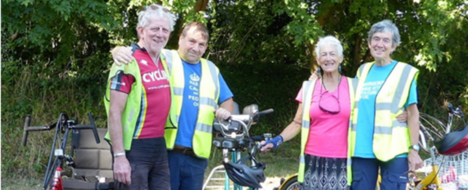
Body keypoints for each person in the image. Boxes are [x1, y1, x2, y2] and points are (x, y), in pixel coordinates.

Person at [260, 35, 407, 190]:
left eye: (332, 54)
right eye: (323, 54)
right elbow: (297, 122)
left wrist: (406, 112)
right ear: (318, 60)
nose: (328, 58)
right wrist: (276, 140)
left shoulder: (355, 86)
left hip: (344, 162)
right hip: (313, 161)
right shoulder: (309, 87)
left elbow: (377, 107)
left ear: (341, 58)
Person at [111, 22, 234, 190]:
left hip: (196, 157)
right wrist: (117, 51)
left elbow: (228, 100)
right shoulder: (164, 58)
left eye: (201, 45)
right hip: (166, 152)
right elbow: (138, 51)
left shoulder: (211, 69)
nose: (195, 48)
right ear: (180, 39)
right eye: (191, 41)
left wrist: (224, 112)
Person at [104, 4, 174, 189]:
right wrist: (119, 156)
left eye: (165, 30)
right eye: (155, 29)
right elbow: (114, 111)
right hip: (134, 147)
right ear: (141, 31)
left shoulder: (164, 59)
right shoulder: (127, 61)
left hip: (159, 145)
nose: (160, 34)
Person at [350, 19, 423, 190]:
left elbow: (413, 114)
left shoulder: (405, 72)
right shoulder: (362, 71)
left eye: (385, 40)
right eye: (376, 39)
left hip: (394, 151)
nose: (380, 44)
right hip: (362, 149)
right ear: (369, 43)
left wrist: (414, 150)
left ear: (394, 46)